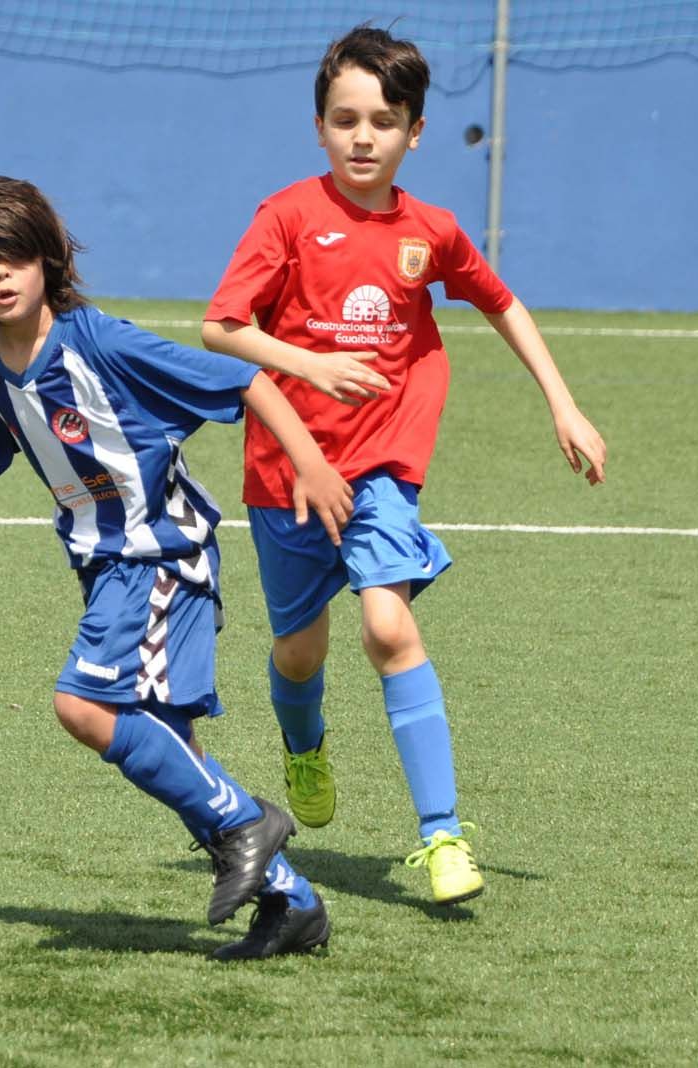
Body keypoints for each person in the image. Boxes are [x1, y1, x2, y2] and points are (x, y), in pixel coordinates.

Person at [0, 174, 353, 961]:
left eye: (15, 257)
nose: (2, 276)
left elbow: (245, 377)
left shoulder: (100, 342)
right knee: (171, 750)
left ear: (47, 258)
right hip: (109, 564)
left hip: (158, 555)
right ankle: (294, 904)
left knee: (81, 706)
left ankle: (250, 823)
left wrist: (312, 468)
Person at [201, 25, 607, 906]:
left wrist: (562, 402)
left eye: (383, 121)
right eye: (344, 119)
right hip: (288, 473)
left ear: (414, 132)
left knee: (388, 628)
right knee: (300, 654)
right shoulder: (286, 217)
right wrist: (310, 366)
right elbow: (220, 327)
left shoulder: (432, 231)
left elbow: (502, 303)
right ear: (319, 126)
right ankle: (303, 748)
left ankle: (444, 837)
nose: (362, 136)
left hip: (384, 467)